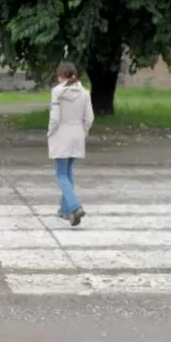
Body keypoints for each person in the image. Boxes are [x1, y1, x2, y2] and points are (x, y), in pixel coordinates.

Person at [47, 61, 95, 227]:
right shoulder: (85, 93)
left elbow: (55, 118)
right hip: (77, 134)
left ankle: (75, 206)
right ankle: (66, 211)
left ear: (61, 75)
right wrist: (83, 132)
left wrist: (50, 132)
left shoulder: (58, 92)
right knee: (68, 173)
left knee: (60, 174)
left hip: (61, 134)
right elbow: (89, 118)